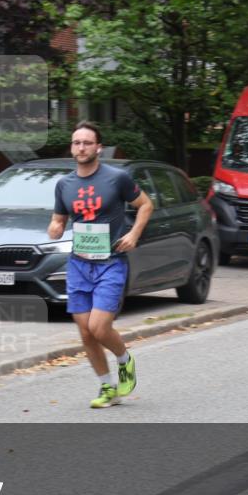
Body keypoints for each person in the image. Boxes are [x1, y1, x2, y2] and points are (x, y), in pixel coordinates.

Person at [47, 121, 154, 408]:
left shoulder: (116, 178)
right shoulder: (64, 184)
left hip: (111, 262)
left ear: (98, 148)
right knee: (85, 332)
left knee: (98, 327)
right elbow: (59, 219)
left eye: (86, 142)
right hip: (78, 264)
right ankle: (108, 387)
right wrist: (55, 227)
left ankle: (124, 359)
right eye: (76, 143)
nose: (81, 147)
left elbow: (145, 204)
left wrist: (133, 234)